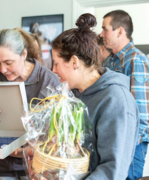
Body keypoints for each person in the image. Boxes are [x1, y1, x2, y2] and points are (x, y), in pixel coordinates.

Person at [51, 13, 139, 179]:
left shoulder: (115, 100)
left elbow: (112, 171)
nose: (53, 70)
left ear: (75, 62)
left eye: (56, 63)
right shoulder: (74, 95)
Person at [0, 28, 61, 180]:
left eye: (8, 63)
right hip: (1, 166)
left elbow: (58, 131)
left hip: (36, 168)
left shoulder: (48, 81)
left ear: (24, 54)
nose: (3, 69)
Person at [100, 10, 149, 180]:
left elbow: (142, 113)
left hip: (130, 145)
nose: (101, 34)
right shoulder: (109, 61)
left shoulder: (136, 60)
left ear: (120, 31)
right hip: (112, 141)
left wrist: (126, 145)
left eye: (105, 29)